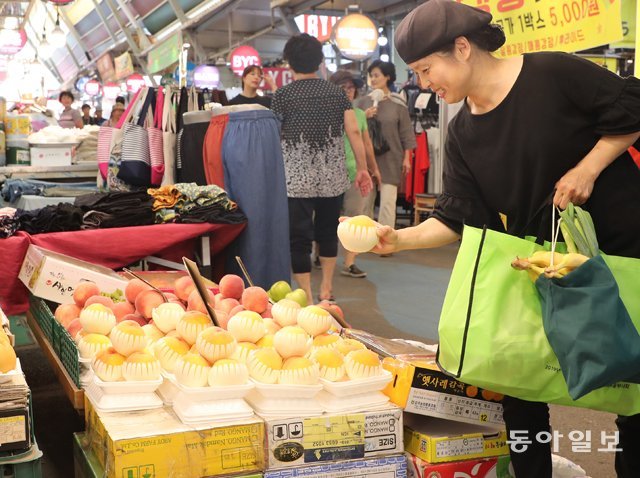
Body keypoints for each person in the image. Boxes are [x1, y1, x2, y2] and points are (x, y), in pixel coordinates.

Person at [363, 1, 640, 477]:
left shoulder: (551, 73)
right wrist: (397, 241)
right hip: (541, 266)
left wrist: (587, 168)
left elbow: (634, 106)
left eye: (428, 69)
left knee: (631, 389)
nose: (425, 83)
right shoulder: (464, 132)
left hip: (621, 253)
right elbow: (459, 217)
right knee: (520, 385)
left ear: (463, 48)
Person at [271, 33, 372, 305]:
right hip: (333, 177)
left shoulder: (281, 96)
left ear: (289, 62)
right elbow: (353, 130)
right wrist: (362, 168)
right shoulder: (337, 94)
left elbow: (274, 136)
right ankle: (327, 288)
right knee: (328, 232)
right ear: (319, 61)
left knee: (299, 238)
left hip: (296, 180)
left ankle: (306, 293)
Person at [354, 61, 416, 241]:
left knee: (388, 202)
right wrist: (363, 116)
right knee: (365, 200)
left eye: (377, 75)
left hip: (391, 158)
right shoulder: (362, 102)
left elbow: (406, 133)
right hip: (366, 158)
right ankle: (363, 239)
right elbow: (351, 128)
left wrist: (407, 158)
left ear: (387, 77)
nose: (373, 79)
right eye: (371, 75)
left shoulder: (398, 103)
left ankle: (385, 240)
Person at [329, 70, 381, 278]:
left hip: (355, 173)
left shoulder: (359, 114)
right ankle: (319, 252)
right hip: (330, 173)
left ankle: (350, 262)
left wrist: (373, 168)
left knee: (355, 217)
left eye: (351, 88)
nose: (348, 92)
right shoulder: (327, 113)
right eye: (343, 88)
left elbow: (366, 143)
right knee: (328, 217)